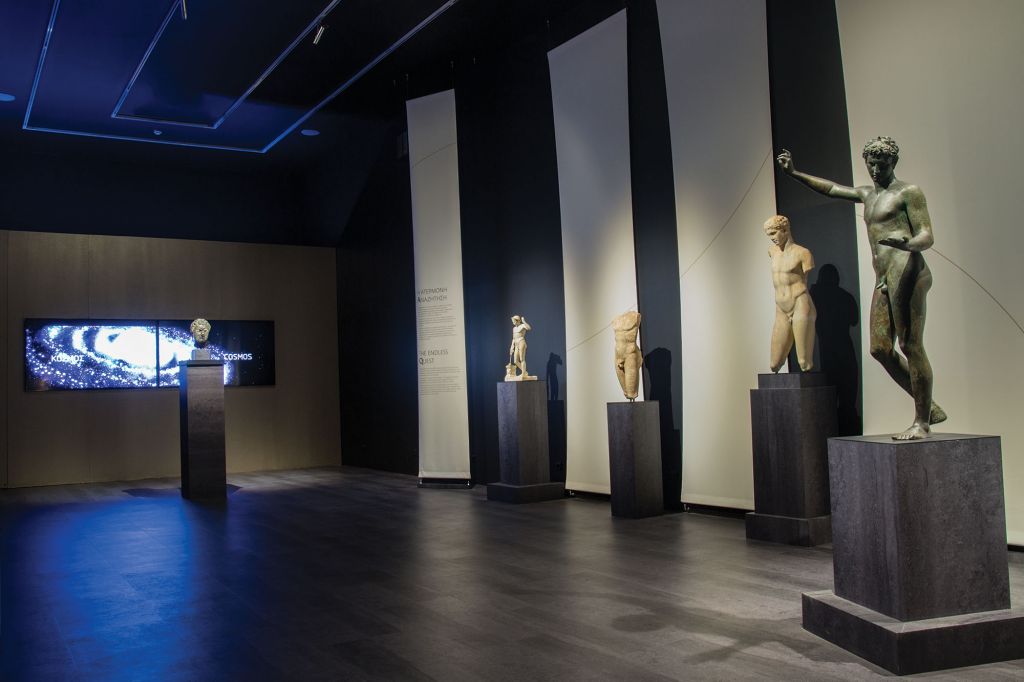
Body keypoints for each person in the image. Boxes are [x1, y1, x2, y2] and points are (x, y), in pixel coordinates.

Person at [777, 137, 946, 440]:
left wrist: (908, 243)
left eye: (881, 165)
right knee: (879, 348)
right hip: (885, 277)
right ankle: (928, 405)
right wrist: (794, 173)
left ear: (893, 163)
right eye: (871, 164)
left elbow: (926, 235)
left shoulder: (908, 192)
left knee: (910, 345)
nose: (875, 170)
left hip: (907, 272)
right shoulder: (868, 194)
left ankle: (921, 422)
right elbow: (831, 189)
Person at [763, 215, 816, 373]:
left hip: (799, 302)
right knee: (774, 364)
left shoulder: (803, 253)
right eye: (769, 235)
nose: (772, 238)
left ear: (785, 230)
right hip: (781, 307)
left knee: (804, 363)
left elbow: (806, 275)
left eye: (774, 233)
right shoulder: (772, 252)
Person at [612, 311, 642, 400]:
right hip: (618, 355)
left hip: (630, 355)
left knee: (631, 392)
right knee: (625, 391)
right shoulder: (616, 320)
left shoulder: (636, 316)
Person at [507, 315, 534, 380]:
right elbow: (513, 338)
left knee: (522, 359)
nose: (513, 322)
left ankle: (523, 373)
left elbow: (529, 328)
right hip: (516, 344)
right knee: (515, 361)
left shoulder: (522, 326)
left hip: (521, 342)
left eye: (513, 321)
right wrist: (512, 347)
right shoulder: (514, 328)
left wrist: (524, 321)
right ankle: (524, 372)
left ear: (517, 321)